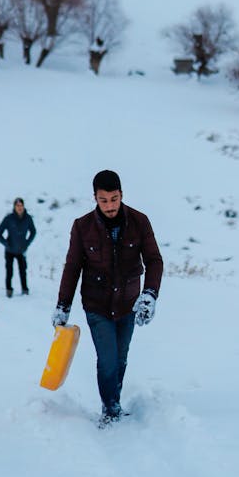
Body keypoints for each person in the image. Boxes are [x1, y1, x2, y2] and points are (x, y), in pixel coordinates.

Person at [52, 169, 163, 426]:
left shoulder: (140, 221)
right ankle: (110, 408)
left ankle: (114, 399)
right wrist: (62, 305)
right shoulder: (82, 227)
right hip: (96, 304)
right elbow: (72, 267)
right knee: (108, 357)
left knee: (121, 356)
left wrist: (149, 294)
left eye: (114, 199)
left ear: (121, 194)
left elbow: (154, 260)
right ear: (95, 198)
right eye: (104, 200)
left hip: (128, 303)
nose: (110, 205)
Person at [0, 197, 36, 297]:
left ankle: (25, 290)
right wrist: (6, 243)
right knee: (9, 272)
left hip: (21, 250)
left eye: (21, 205)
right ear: (14, 207)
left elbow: (33, 232)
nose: (19, 207)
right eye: (17, 205)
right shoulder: (9, 218)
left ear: (23, 206)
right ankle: (9, 291)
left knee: (23, 271)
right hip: (9, 250)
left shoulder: (28, 218)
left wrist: (27, 243)